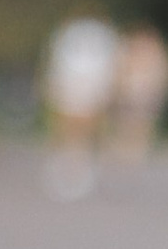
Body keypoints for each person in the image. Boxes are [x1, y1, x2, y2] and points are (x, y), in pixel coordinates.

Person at [40, 10, 122, 200]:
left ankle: (79, 166)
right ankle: (67, 164)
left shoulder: (100, 36)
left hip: (86, 87)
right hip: (75, 85)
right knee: (67, 130)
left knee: (81, 131)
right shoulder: (69, 35)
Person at [110, 24, 168, 165]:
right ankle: (124, 145)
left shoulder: (158, 52)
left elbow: (164, 72)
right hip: (131, 87)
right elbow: (121, 68)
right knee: (126, 118)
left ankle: (138, 148)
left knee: (144, 119)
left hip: (148, 88)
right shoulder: (129, 49)